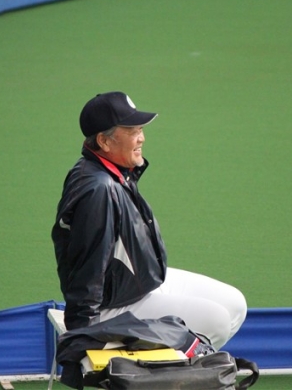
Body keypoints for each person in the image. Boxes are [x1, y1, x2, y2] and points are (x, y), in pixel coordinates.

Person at [51, 91, 246, 350]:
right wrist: (83, 335)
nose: (142, 137)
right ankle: (170, 370)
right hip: (112, 307)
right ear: (104, 141)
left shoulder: (111, 171)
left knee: (235, 303)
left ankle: (183, 363)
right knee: (217, 320)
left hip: (137, 283)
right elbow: (87, 270)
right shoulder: (98, 190)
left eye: (140, 129)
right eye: (132, 131)